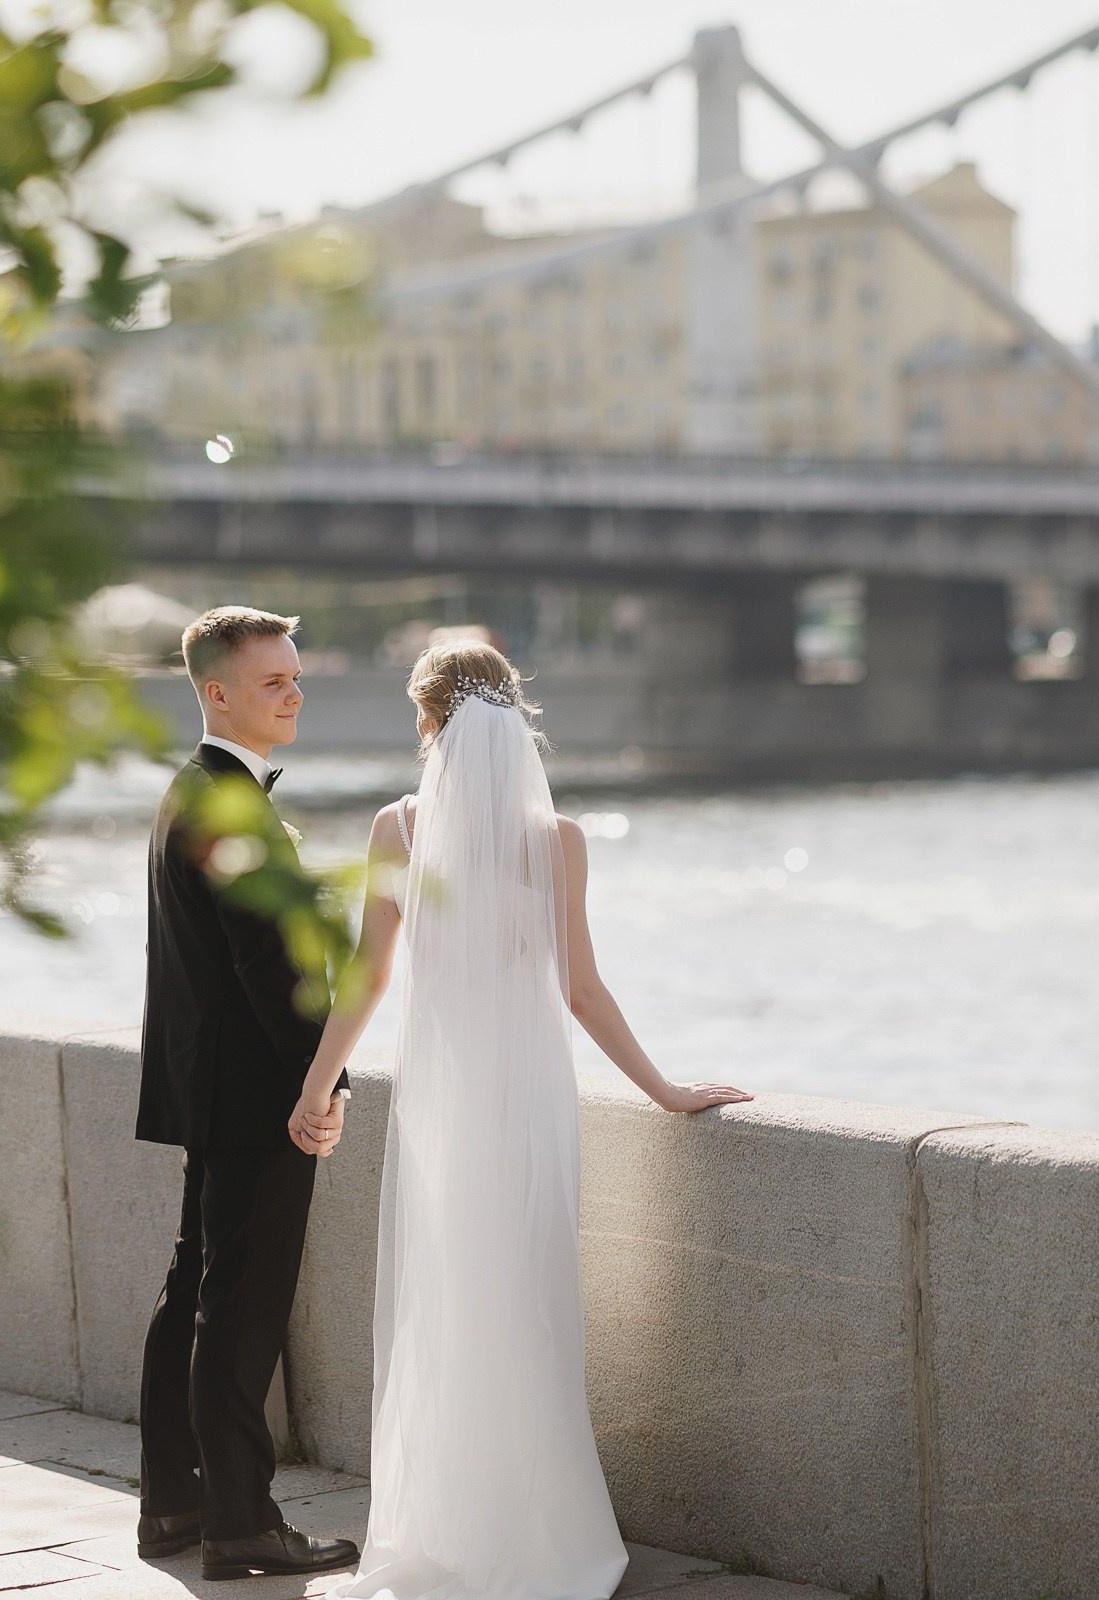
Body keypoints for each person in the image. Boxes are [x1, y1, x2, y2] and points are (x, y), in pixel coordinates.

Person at [300, 639, 752, 1600]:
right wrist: (665, 1091)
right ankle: (538, 1533)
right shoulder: (558, 841)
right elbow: (582, 991)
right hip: (531, 1105)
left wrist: (316, 1084)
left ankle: (448, 1527)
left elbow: (370, 976)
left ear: (429, 725)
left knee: (446, 1302)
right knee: (526, 1305)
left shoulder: (399, 827)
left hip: (440, 1101)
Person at [135, 606, 360, 1581]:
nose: (296, 693)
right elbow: (271, 969)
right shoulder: (227, 805)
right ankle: (241, 1522)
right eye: (275, 682)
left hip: (211, 1087)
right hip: (260, 1094)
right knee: (240, 1305)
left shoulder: (194, 792)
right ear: (217, 692)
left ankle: (175, 1506)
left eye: (297, 676)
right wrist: (322, 1084)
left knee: (192, 1289)